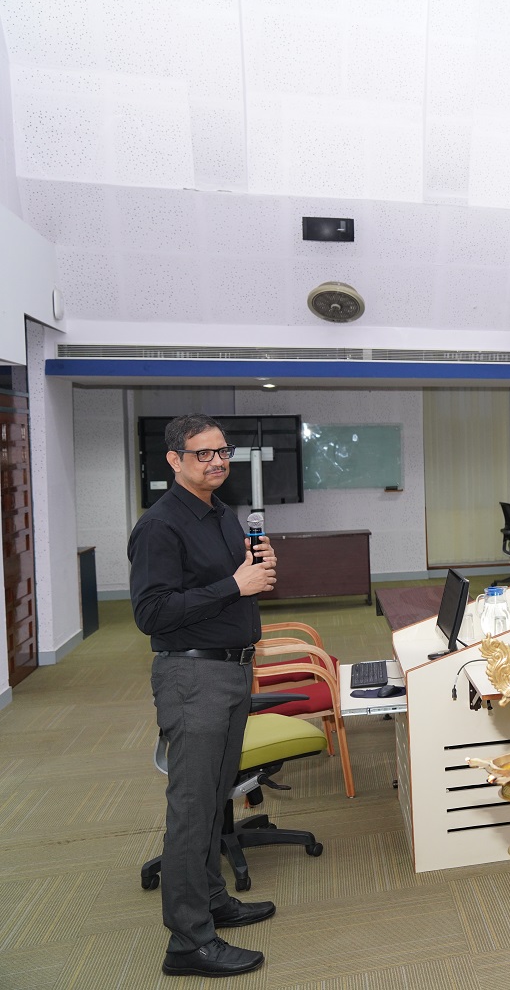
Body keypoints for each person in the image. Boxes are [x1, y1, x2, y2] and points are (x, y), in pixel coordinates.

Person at [128, 414, 279, 978]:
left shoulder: (221, 514)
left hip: (232, 671)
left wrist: (254, 574)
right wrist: (233, 586)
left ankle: (213, 901)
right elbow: (152, 613)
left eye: (223, 452)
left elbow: (226, 587)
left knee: (216, 797)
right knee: (191, 810)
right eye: (203, 454)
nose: (217, 462)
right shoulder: (160, 527)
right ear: (174, 460)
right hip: (192, 679)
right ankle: (188, 942)